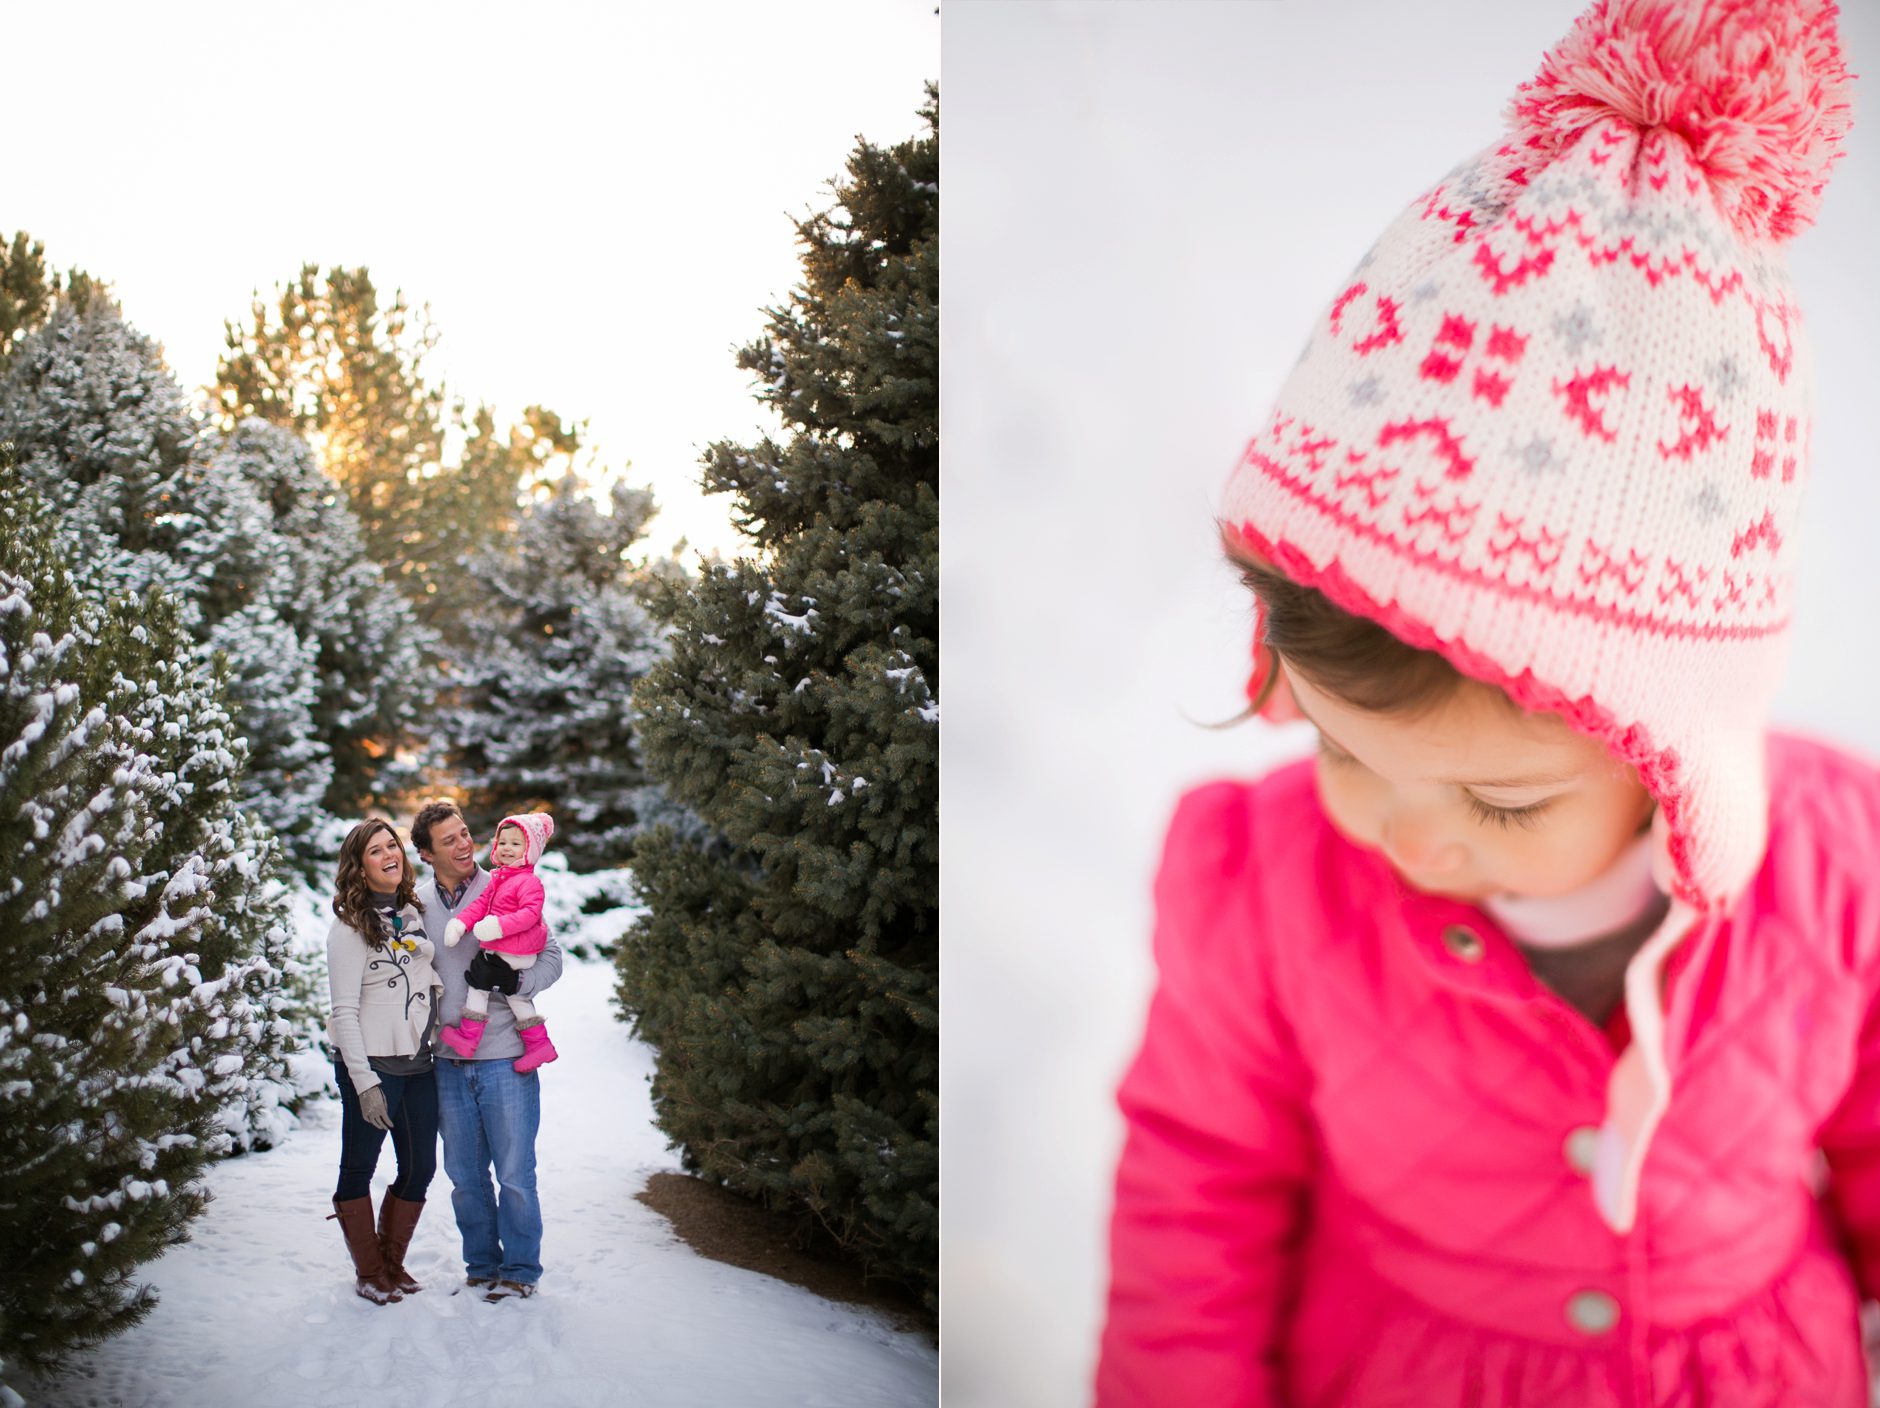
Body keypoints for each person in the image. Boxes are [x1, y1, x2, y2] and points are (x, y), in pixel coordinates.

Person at [1098, 3, 1880, 1404]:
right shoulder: (1262, 890)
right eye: (1344, 749)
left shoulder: (1844, 876)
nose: (1410, 838)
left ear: (1678, 757)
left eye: (1504, 801)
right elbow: (1198, 1196)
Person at [410, 799, 563, 1302]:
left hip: (504, 1054)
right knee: (464, 1176)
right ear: (428, 854)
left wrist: (519, 979)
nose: (463, 843)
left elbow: (553, 956)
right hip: (448, 1060)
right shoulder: (417, 904)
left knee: (515, 1173)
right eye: (449, 839)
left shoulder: (505, 880)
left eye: (464, 832)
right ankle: (481, 1264)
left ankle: (520, 1269)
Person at [324, 817, 441, 1305]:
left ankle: (393, 1262)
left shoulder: (414, 912)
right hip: (371, 1066)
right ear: (360, 866)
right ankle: (370, 1271)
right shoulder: (348, 929)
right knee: (359, 1166)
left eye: (391, 845)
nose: (389, 854)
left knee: (419, 1168)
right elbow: (343, 1012)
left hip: (418, 1062)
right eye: (375, 850)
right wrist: (364, 1082)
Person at [439, 811, 559, 1072]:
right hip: (508, 948)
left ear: (530, 851)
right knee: (517, 1000)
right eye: (502, 842)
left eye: (516, 844)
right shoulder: (500, 879)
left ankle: (469, 1038)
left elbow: (529, 915)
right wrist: (460, 924)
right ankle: (540, 1045)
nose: (507, 848)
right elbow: (482, 905)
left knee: (479, 986)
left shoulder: (529, 881)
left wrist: (498, 926)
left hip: (517, 948)